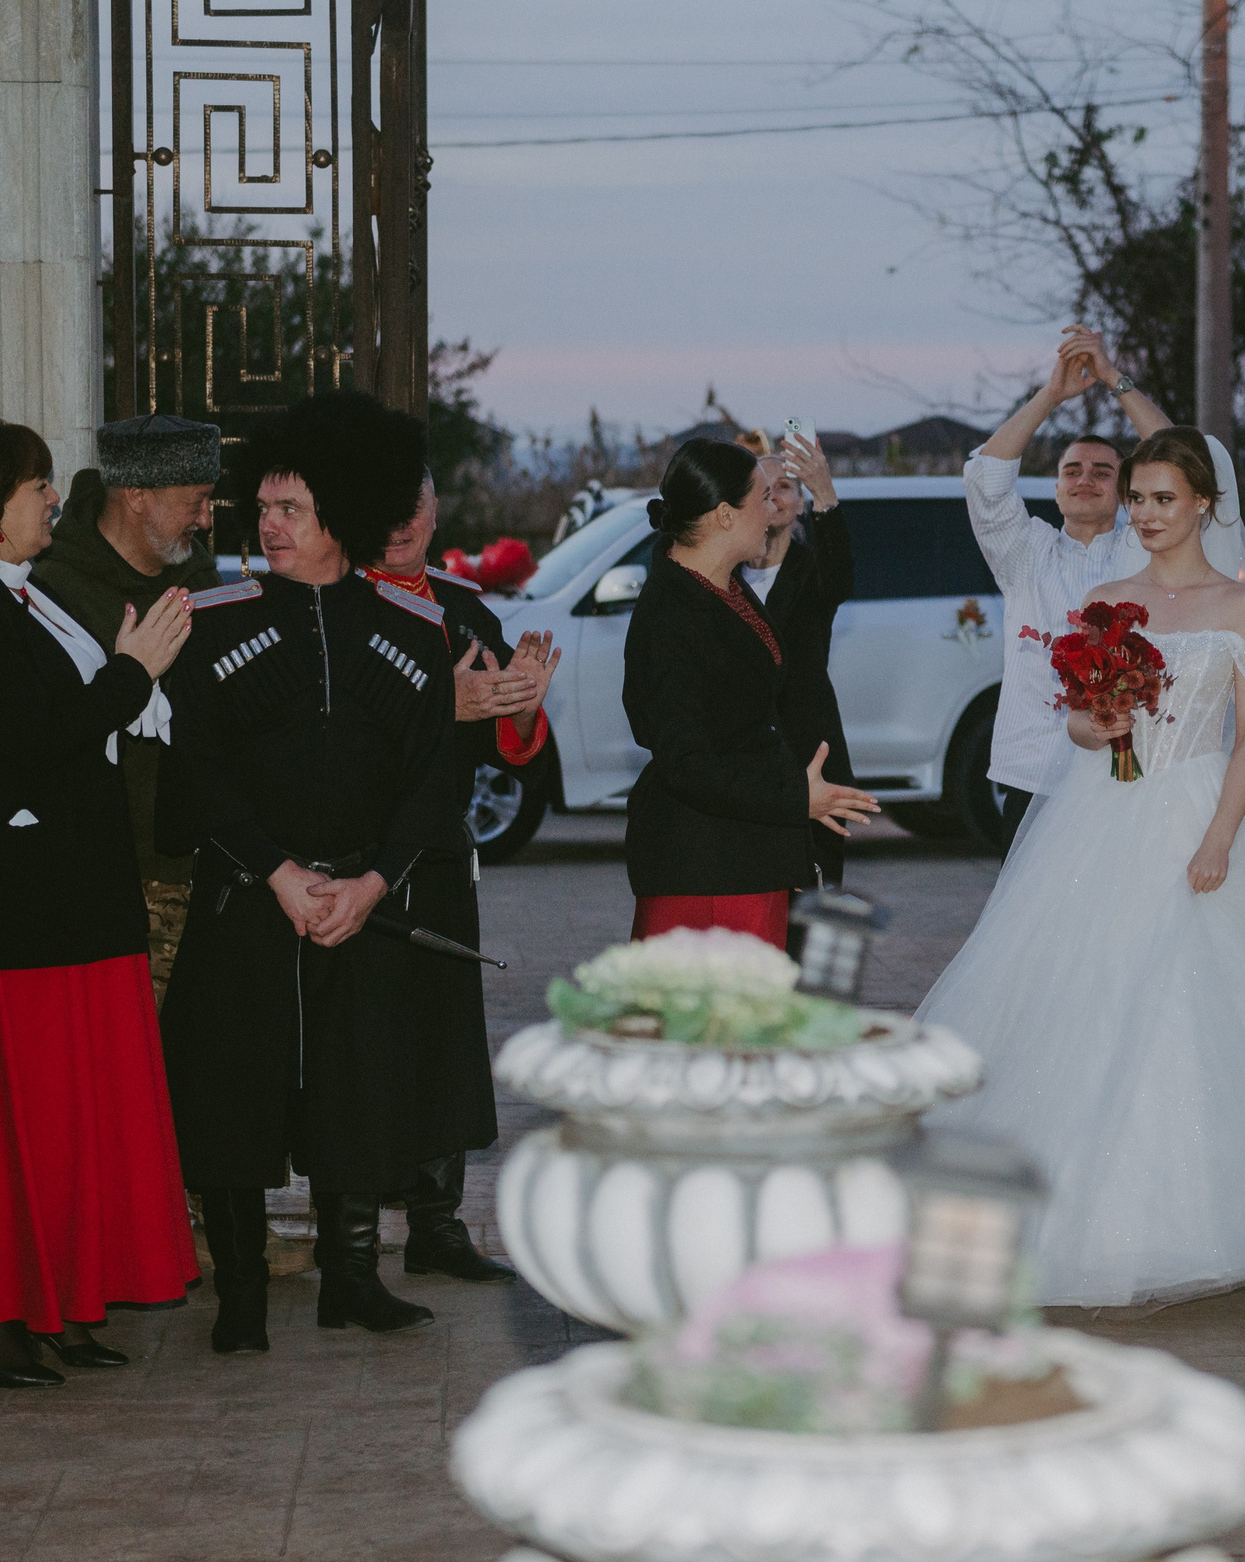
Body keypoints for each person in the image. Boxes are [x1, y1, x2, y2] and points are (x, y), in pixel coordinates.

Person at [916, 428, 1245, 1308]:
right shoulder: (1106, 594)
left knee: (1209, 1005)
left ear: (1204, 501)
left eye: (1164, 498)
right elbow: (1079, 724)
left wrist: (1216, 837)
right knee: (1086, 1001)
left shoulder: (1241, 607)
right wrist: (1104, 722)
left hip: (1204, 811)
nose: (1148, 515)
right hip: (1105, 814)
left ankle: (1222, 1208)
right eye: (1139, 499)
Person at [157, 390, 469, 1348]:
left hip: (364, 905)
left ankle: (353, 1280)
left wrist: (372, 883)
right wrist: (277, 873)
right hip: (248, 902)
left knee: (358, 1092)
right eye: (262, 509)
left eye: (290, 509)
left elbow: (432, 786)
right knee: (234, 1097)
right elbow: (199, 776)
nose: (268, 525)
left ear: (341, 512)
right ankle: (241, 1294)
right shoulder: (208, 627)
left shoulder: (417, 632)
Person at [0, 417, 201, 1387]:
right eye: (37, 486)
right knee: (8, 1127)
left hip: (70, 899)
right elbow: (29, 741)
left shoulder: (20, 601)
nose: (53, 500)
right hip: (14, 907)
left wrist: (122, 666)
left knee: (70, 1123)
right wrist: (132, 671)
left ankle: (60, 1301)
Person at [364, 467, 558, 1284]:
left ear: (438, 510)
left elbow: (513, 749)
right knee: (367, 1047)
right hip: (359, 859)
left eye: (417, 502)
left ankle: (438, 1224)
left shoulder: (461, 607)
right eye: (387, 503)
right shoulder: (338, 602)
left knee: (444, 1041)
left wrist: (518, 706)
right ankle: (353, 1233)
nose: (403, 519)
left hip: (442, 854)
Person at [621, 439, 877, 947]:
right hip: (707, 870)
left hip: (745, 857)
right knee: (712, 1025)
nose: (774, 509)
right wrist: (793, 796)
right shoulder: (674, 613)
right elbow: (687, 761)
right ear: (722, 515)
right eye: (763, 497)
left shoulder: (723, 586)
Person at [32, 414, 224, 1008]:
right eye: (195, 500)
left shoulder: (205, 581)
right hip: (96, 879)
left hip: (204, 869)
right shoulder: (50, 590)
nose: (207, 517)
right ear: (136, 496)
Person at [964, 327, 1171, 852]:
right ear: (1054, 488)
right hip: (1034, 775)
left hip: (1130, 770)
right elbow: (986, 476)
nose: (1086, 479)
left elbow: (1184, 462)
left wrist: (1112, 378)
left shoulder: (1145, 547)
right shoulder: (1024, 551)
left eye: (1103, 472)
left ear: (1125, 491)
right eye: (1072, 470)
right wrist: (1051, 394)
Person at [749, 435, 857, 886]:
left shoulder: (813, 571)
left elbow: (842, 577)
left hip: (809, 753)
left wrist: (824, 488)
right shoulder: (721, 575)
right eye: (761, 487)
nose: (773, 495)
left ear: (799, 503)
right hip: (746, 764)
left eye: (786, 486)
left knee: (810, 907)